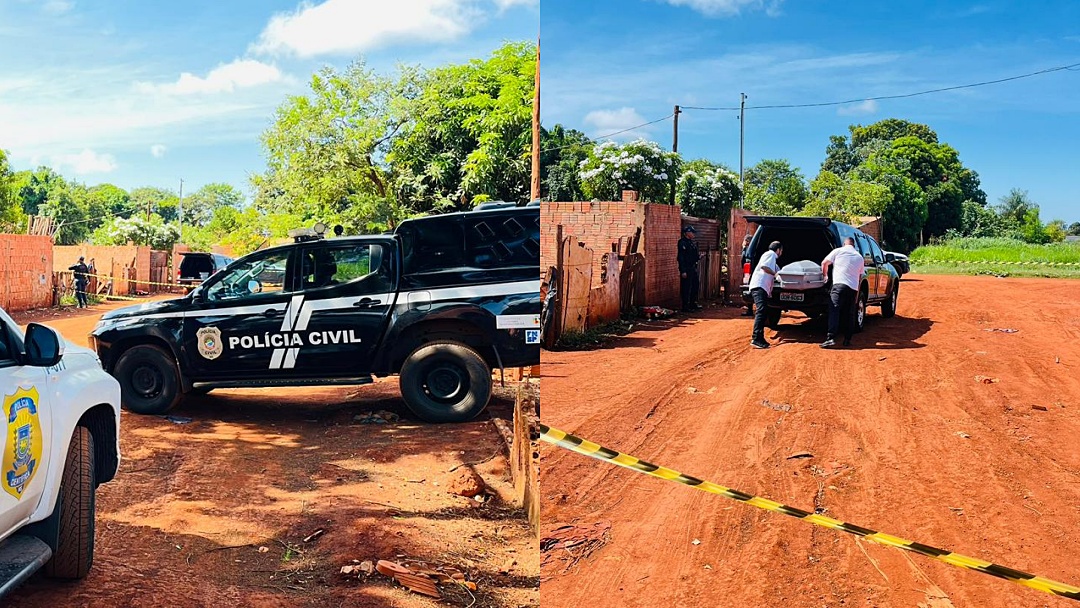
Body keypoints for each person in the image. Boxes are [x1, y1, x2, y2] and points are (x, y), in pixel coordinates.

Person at [820, 237, 865, 348]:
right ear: (853, 245)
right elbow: (860, 277)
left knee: (834, 310)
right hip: (853, 289)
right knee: (849, 313)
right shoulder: (859, 257)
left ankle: (831, 338)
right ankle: (847, 340)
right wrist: (857, 294)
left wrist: (825, 276)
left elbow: (824, 263)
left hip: (839, 286)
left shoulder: (838, 251)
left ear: (845, 243)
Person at [748, 241, 782, 349]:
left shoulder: (773, 261)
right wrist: (775, 274)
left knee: (763, 310)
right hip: (759, 286)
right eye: (781, 250)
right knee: (761, 310)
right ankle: (756, 338)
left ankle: (759, 338)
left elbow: (779, 271)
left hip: (762, 288)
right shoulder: (770, 254)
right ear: (778, 250)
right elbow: (764, 267)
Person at [677, 225, 702, 312]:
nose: (694, 234)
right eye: (692, 232)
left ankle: (692, 303)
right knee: (686, 287)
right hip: (686, 268)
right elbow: (681, 258)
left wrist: (699, 257)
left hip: (692, 267)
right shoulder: (682, 243)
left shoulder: (691, 243)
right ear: (687, 233)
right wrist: (683, 270)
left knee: (695, 285)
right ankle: (685, 306)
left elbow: (693, 255)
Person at [740, 233, 754, 316]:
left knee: (748, 289)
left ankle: (750, 310)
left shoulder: (746, 249)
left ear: (747, 241)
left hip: (748, 273)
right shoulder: (754, 248)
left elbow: (743, 260)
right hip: (750, 272)